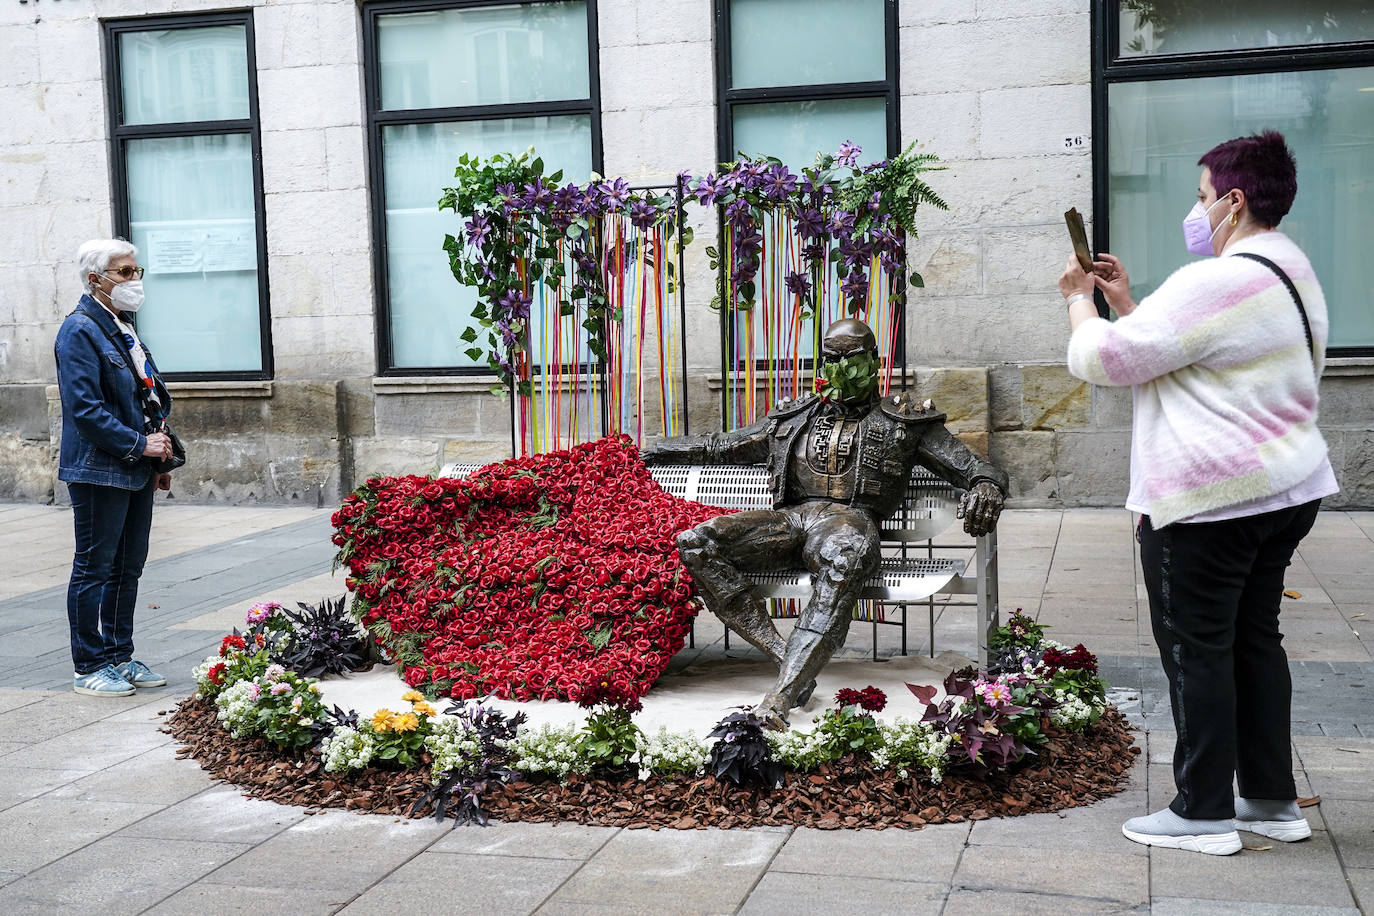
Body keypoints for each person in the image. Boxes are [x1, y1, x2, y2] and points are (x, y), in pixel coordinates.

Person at [1059, 131, 1336, 856]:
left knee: (1196, 651)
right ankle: (1271, 801)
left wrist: (1081, 306)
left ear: (1234, 201)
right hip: (1284, 489)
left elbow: (1105, 360)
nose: (1197, 207)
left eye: (1203, 195)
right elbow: (1203, 351)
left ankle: (1203, 811)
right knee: (1253, 643)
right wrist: (1129, 301)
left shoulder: (1211, 281)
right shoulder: (1288, 268)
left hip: (1211, 502)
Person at [643, 318, 1007, 726]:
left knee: (843, 557)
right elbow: (721, 447)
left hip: (848, 522)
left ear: (873, 360)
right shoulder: (796, 416)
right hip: (790, 521)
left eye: (851, 357)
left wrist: (986, 487)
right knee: (697, 541)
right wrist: (654, 451)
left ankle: (779, 699)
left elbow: (975, 467)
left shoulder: (904, 423)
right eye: (831, 358)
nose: (840, 368)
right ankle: (787, 657)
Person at [55, 239, 175, 697]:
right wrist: (138, 445)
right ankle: (89, 665)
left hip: (137, 465)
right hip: (98, 469)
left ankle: (119, 656)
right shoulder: (79, 330)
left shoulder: (119, 327)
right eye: (124, 273)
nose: (135, 281)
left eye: (136, 270)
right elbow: (85, 409)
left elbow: (145, 395)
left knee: (128, 566)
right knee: (94, 567)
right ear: (95, 280)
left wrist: (159, 456)